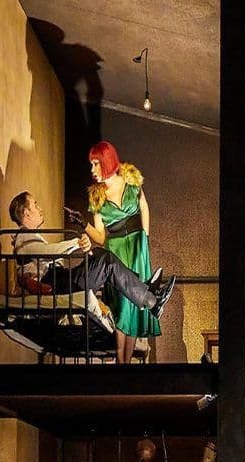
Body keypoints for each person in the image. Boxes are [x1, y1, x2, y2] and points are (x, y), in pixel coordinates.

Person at [8, 191, 175, 321]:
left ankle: (145, 290)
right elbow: (47, 252)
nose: (40, 208)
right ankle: (152, 301)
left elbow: (46, 256)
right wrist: (76, 243)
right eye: (35, 205)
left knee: (99, 254)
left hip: (61, 280)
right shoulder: (23, 237)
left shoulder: (27, 238)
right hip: (58, 284)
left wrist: (81, 246)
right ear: (27, 213)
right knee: (106, 261)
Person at [84, 140, 159, 364]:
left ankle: (125, 363)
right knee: (121, 303)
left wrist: (145, 238)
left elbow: (144, 206)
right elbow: (101, 236)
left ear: (107, 161)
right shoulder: (96, 196)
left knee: (135, 303)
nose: (92, 169)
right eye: (91, 164)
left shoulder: (131, 180)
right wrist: (83, 225)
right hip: (115, 248)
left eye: (96, 163)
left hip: (137, 246)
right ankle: (120, 361)